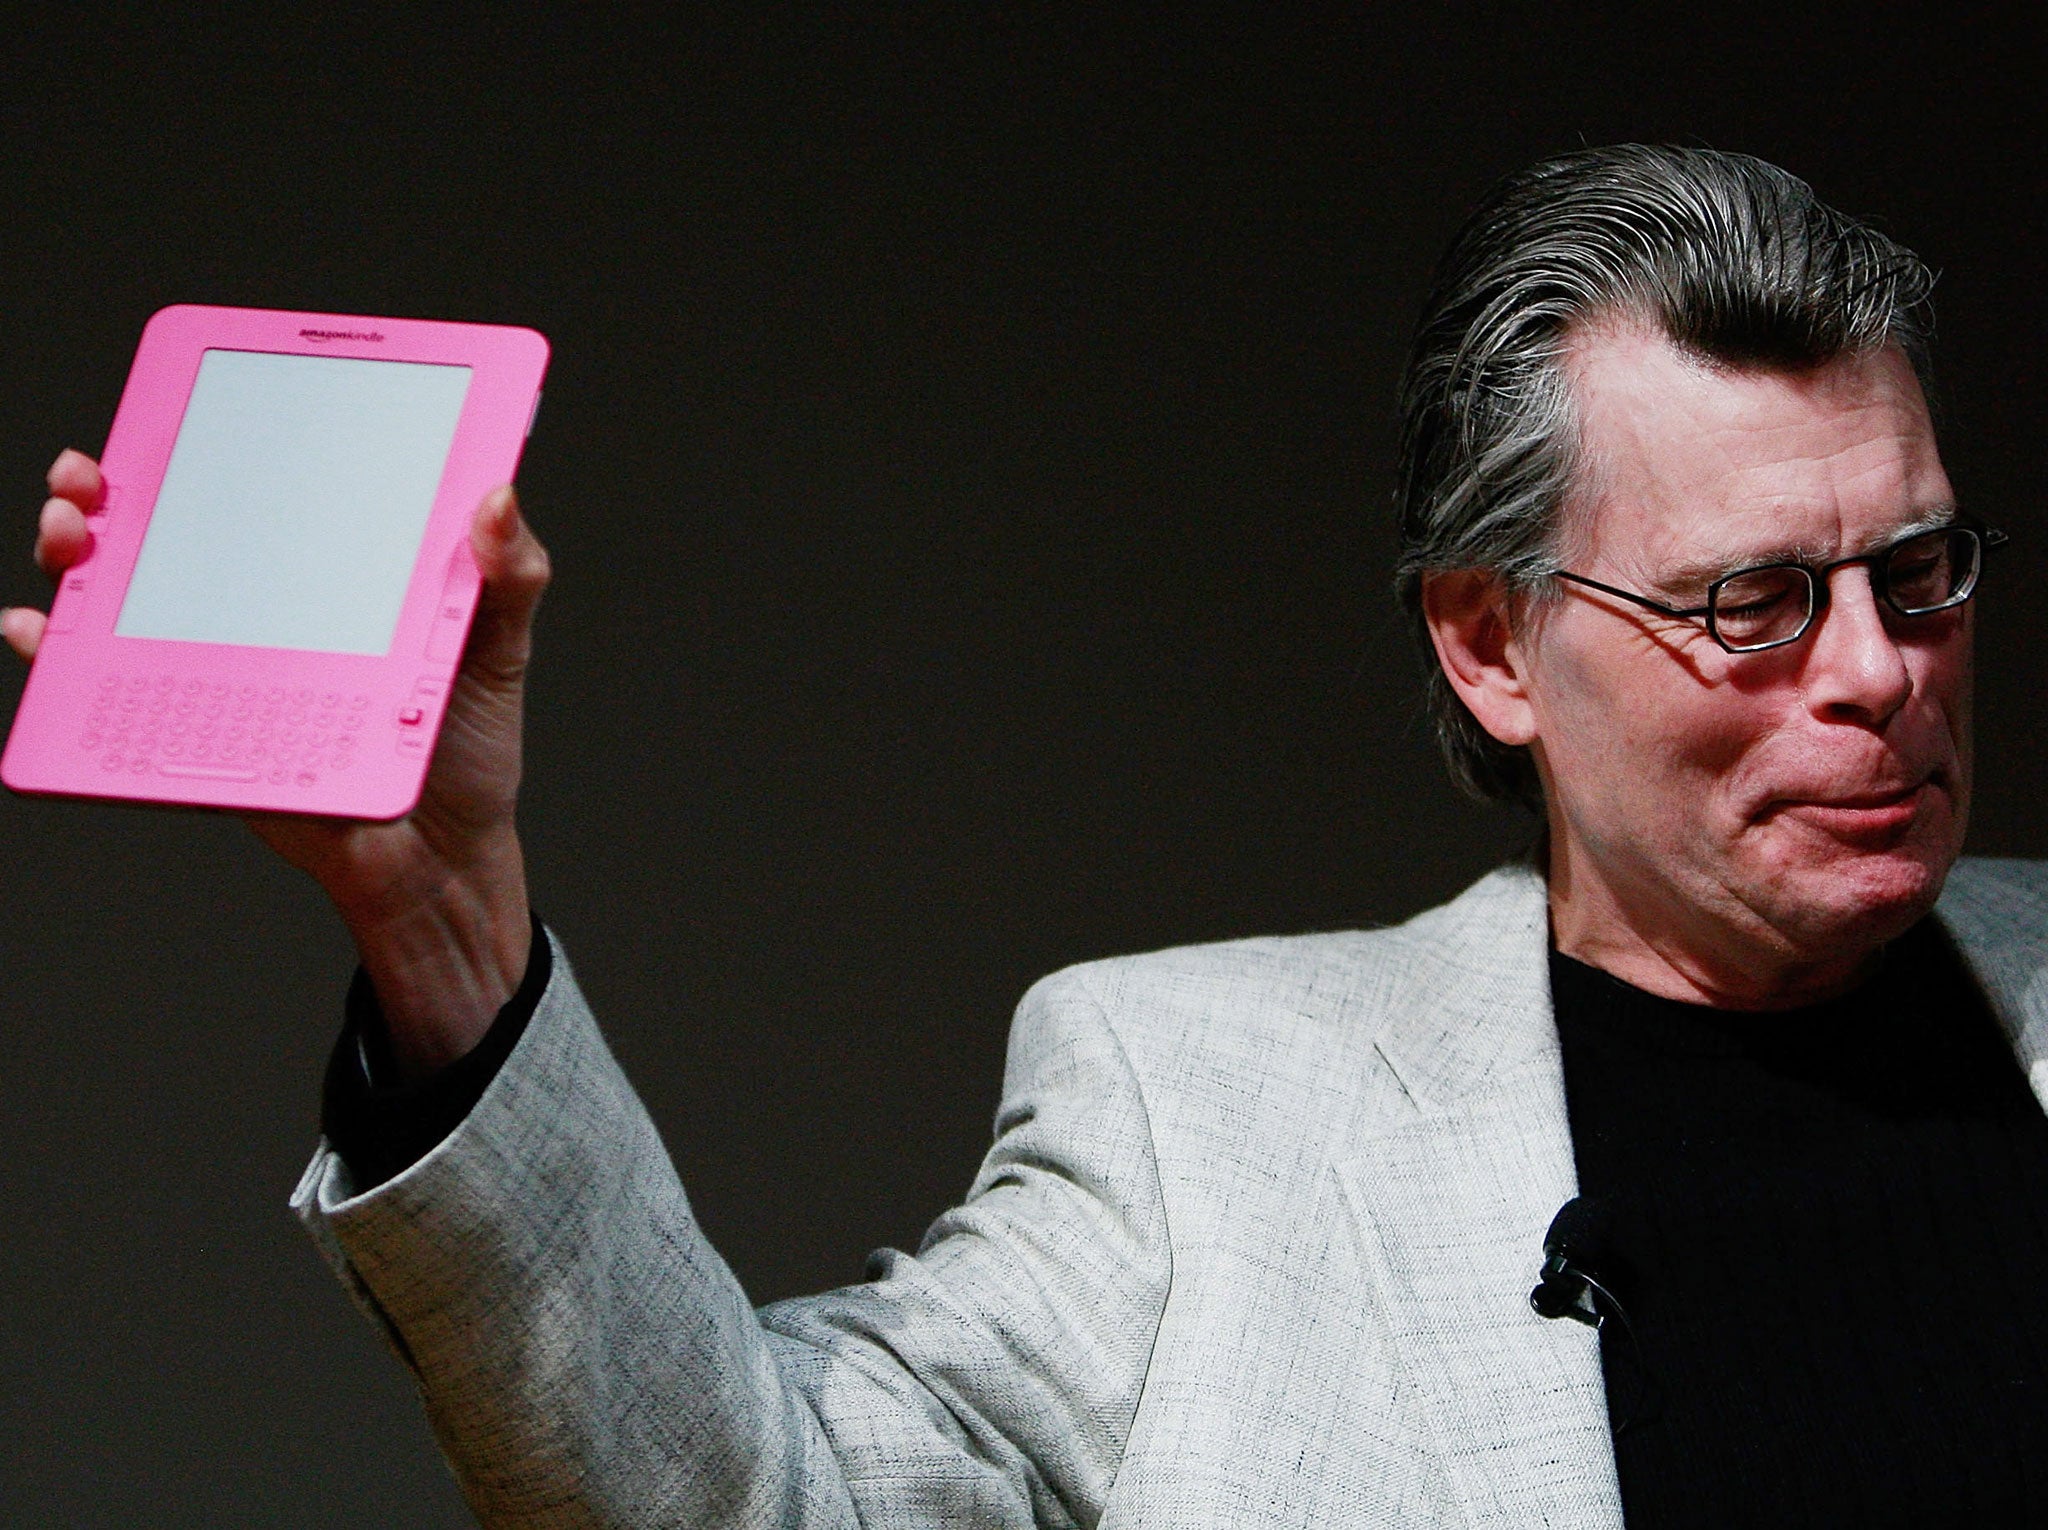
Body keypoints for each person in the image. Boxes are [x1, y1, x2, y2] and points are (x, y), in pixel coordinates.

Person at [11, 143, 2048, 1526]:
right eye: (1749, 600)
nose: (1875, 669)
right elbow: (743, 1496)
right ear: (1491, 639)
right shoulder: (1206, 1104)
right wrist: (445, 933)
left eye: (1920, 569)